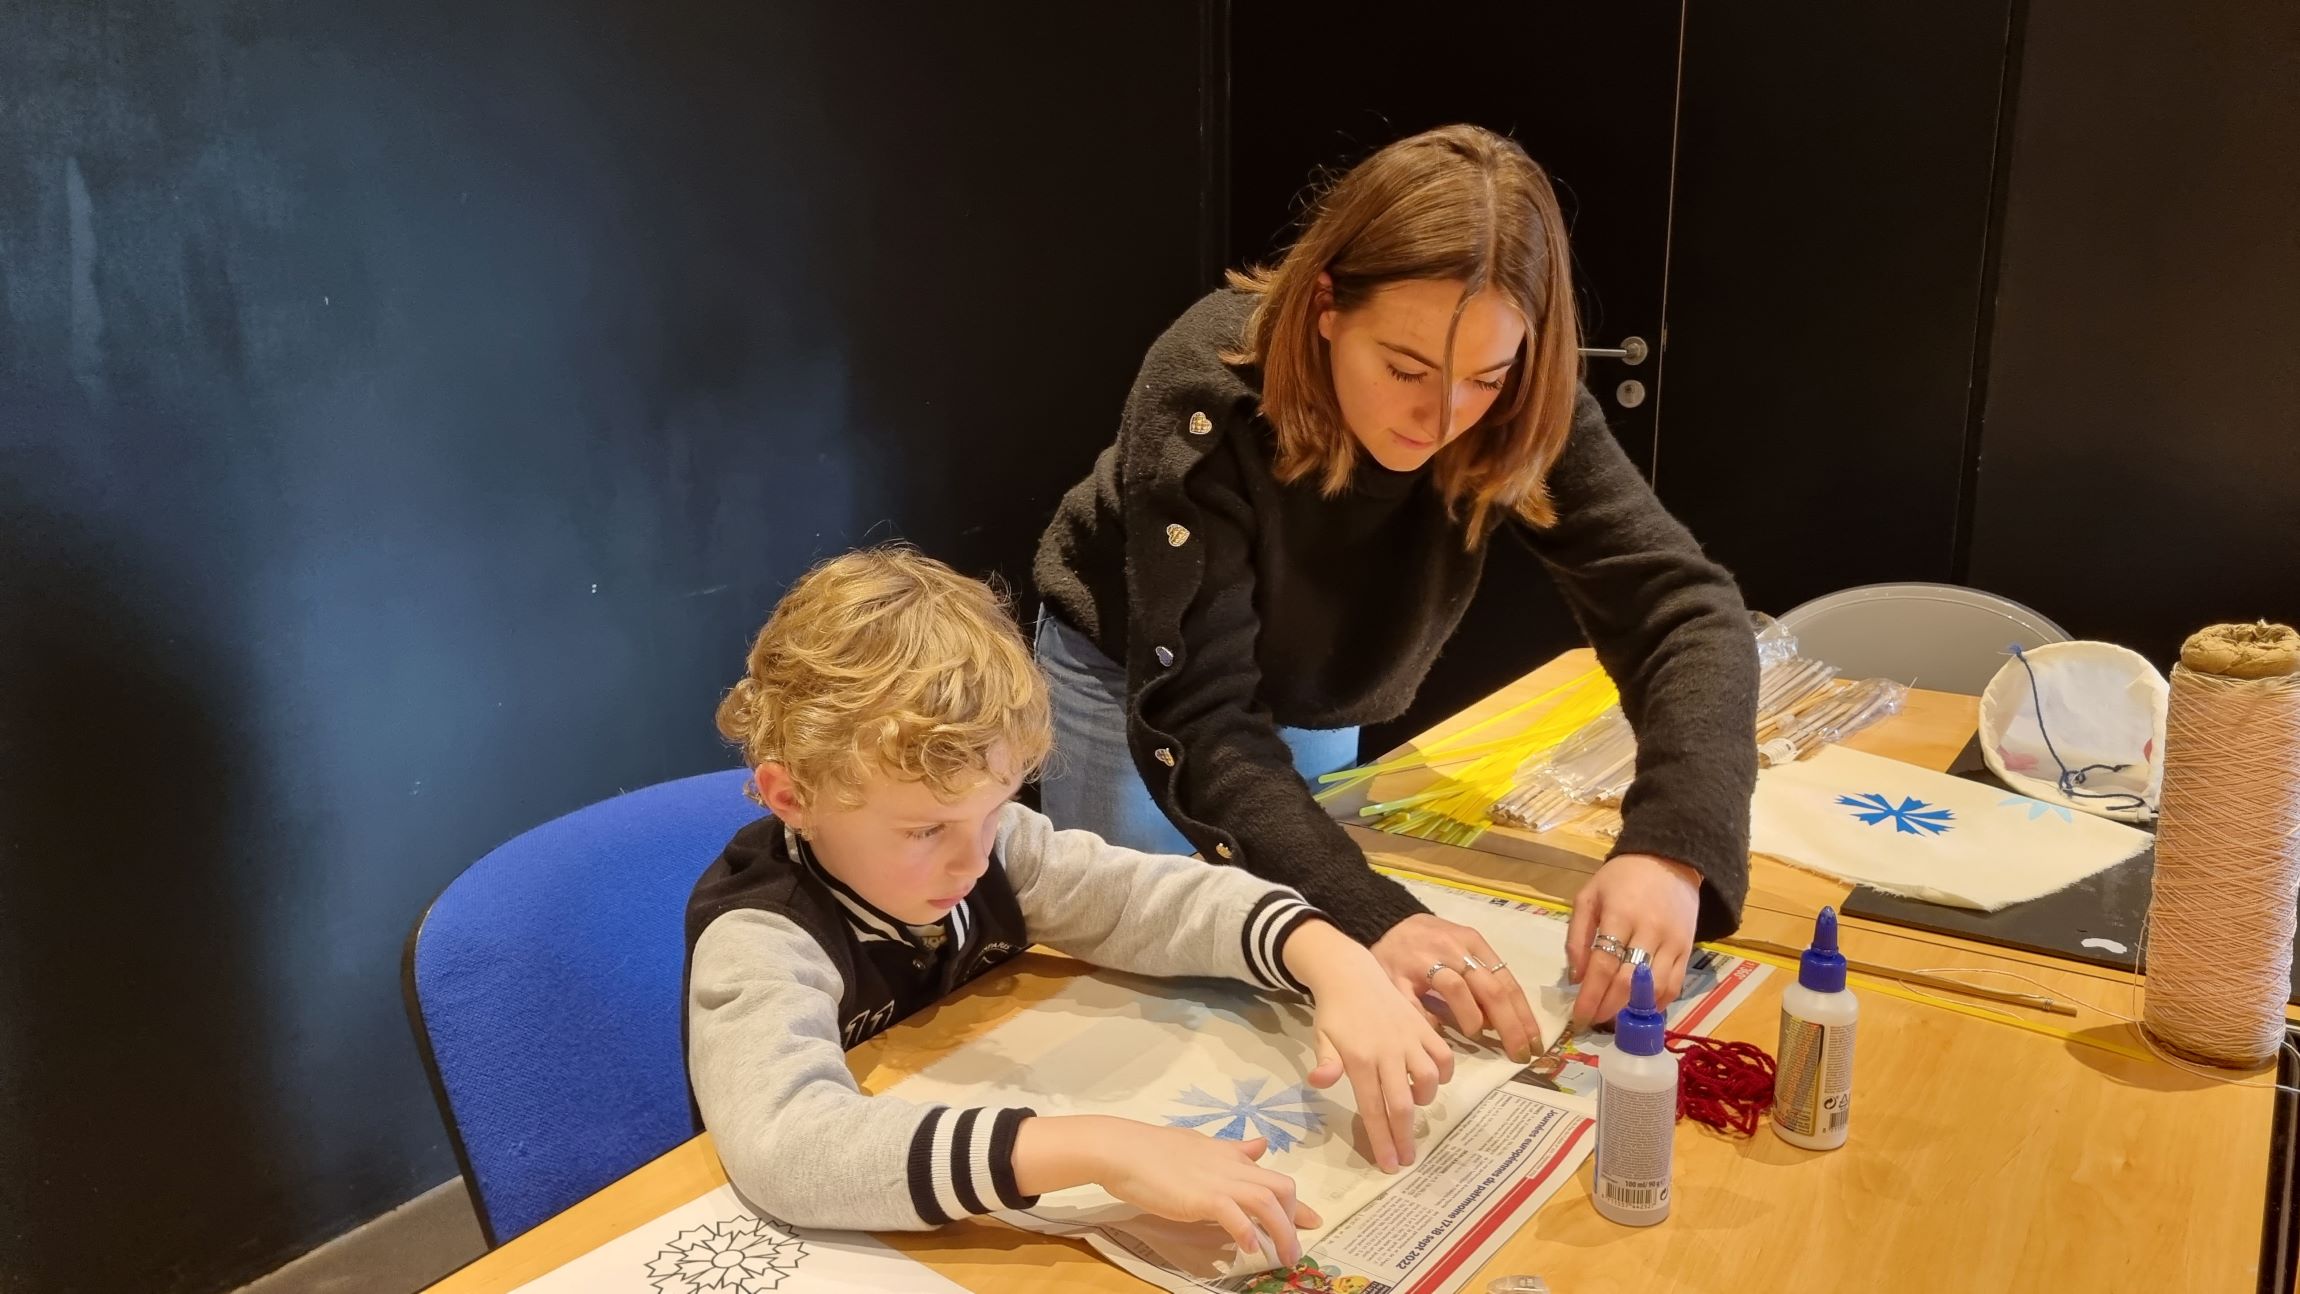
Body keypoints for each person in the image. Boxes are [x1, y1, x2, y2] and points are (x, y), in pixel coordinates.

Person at [1034, 124, 1759, 1042]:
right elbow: (1203, 721)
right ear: (1327, 303)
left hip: (1314, 673)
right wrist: (1376, 916)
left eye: (1485, 378)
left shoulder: (1522, 397)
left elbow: (1681, 610)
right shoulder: (1209, 389)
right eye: (1406, 369)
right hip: (1141, 675)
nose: (1444, 417)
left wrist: (1671, 846)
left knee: (1312, 986)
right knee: (1151, 991)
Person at [686, 548, 1456, 1264]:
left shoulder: (995, 846)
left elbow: (1147, 899)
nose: (976, 857)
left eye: (994, 809)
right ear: (793, 797)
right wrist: (1096, 1148)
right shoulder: (760, 936)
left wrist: (1332, 958)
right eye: (925, 829)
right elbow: (786, 1147)